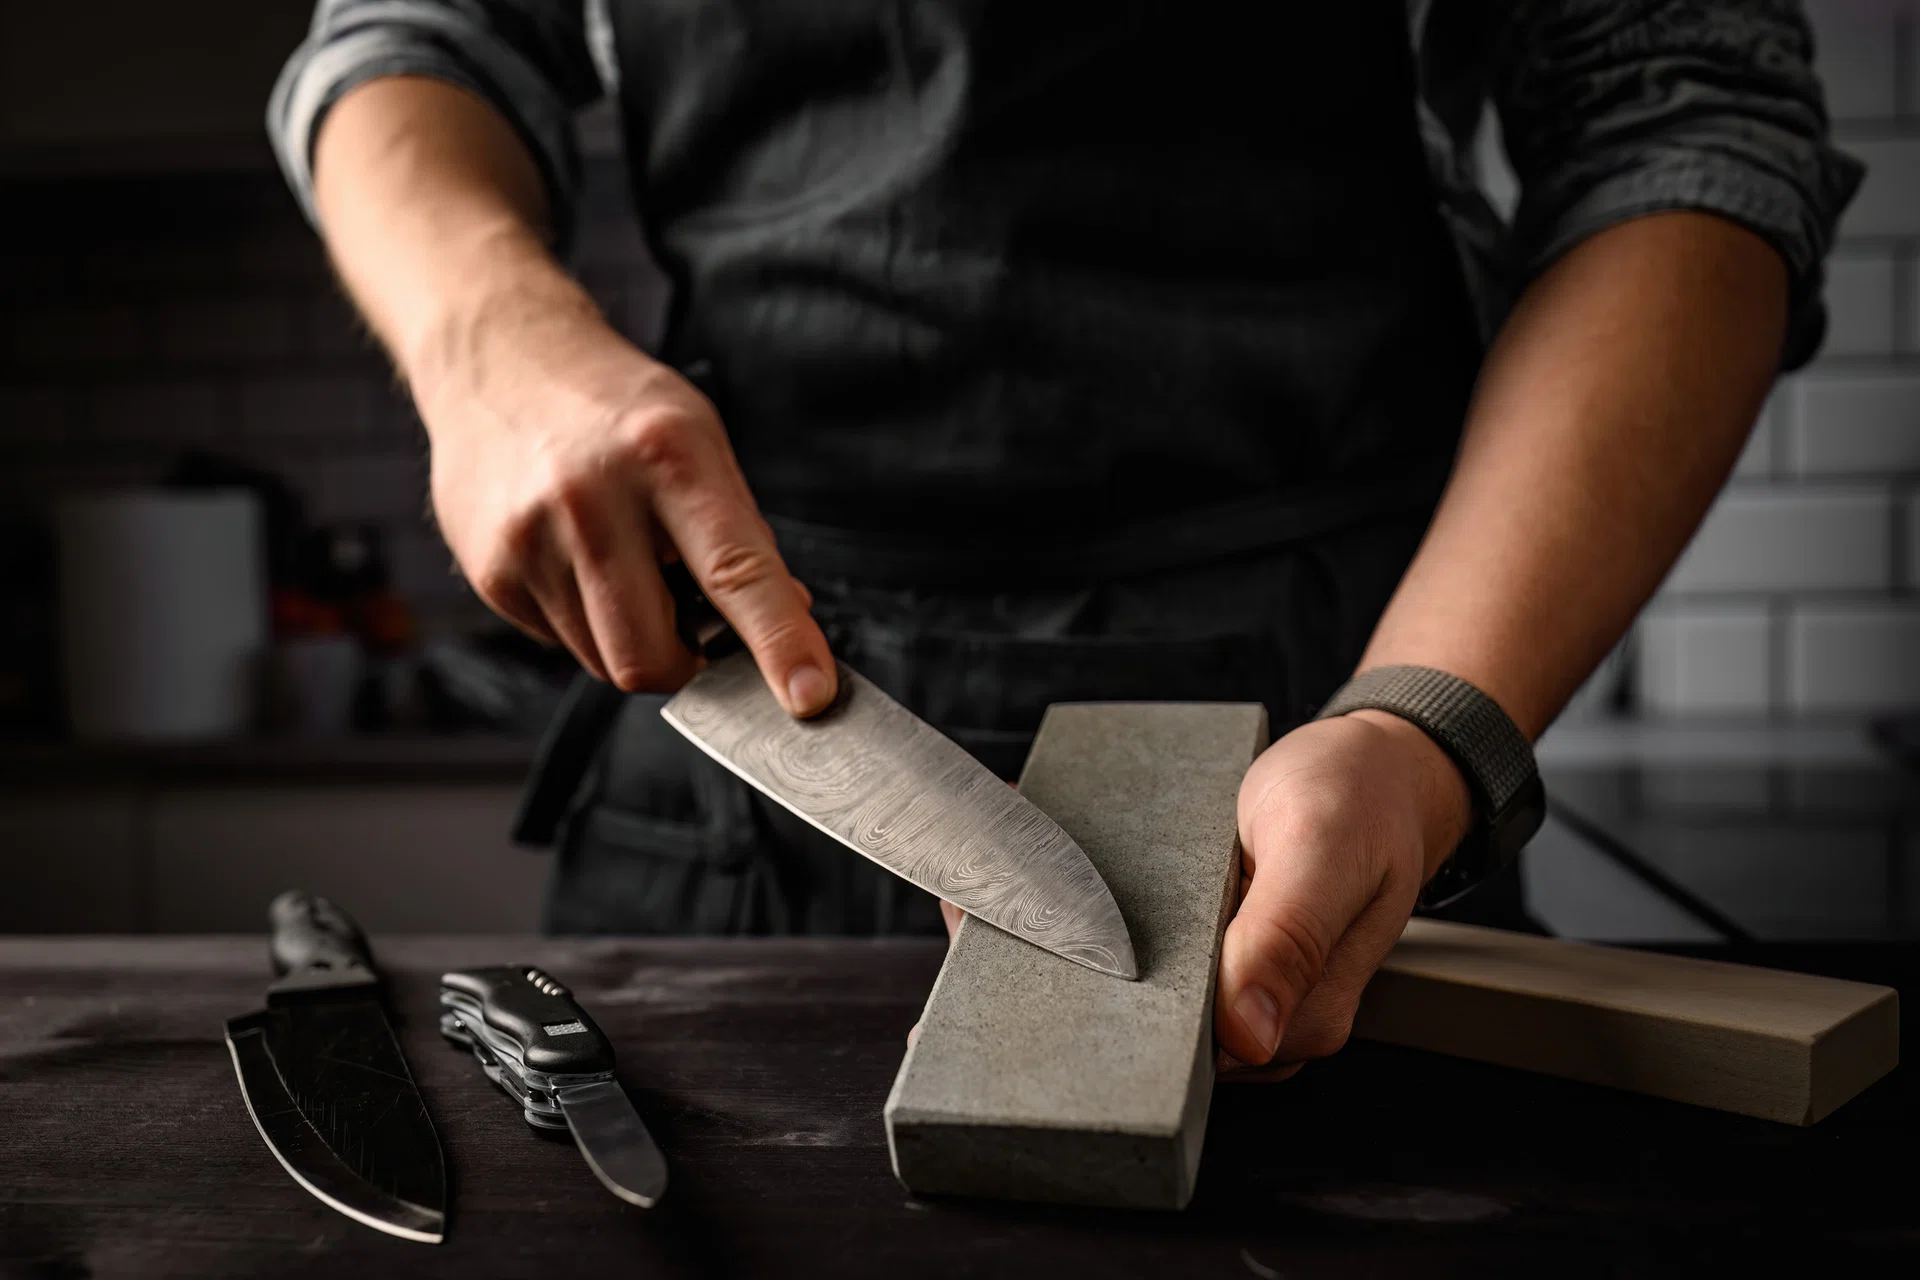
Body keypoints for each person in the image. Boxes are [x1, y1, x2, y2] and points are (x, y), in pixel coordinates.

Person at [269, 0, 1858, 1074]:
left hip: (1344, 715)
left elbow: (1684, 116)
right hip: (736, 715)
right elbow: (418, 33)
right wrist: (489, 337)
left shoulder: (1394, 735)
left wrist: (1429, 724)